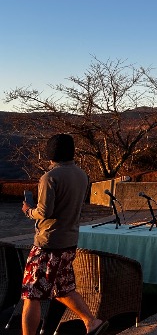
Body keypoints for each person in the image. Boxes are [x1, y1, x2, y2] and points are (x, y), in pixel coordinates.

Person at [21, 134, 108, 335]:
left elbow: (44, 212)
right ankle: (92, 322)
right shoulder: (82, 175)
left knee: (30, 293)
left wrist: (28, 210)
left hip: (47, 243)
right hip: (69, 241)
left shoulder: (49, 177)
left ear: (52, 153)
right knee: (63, 288)